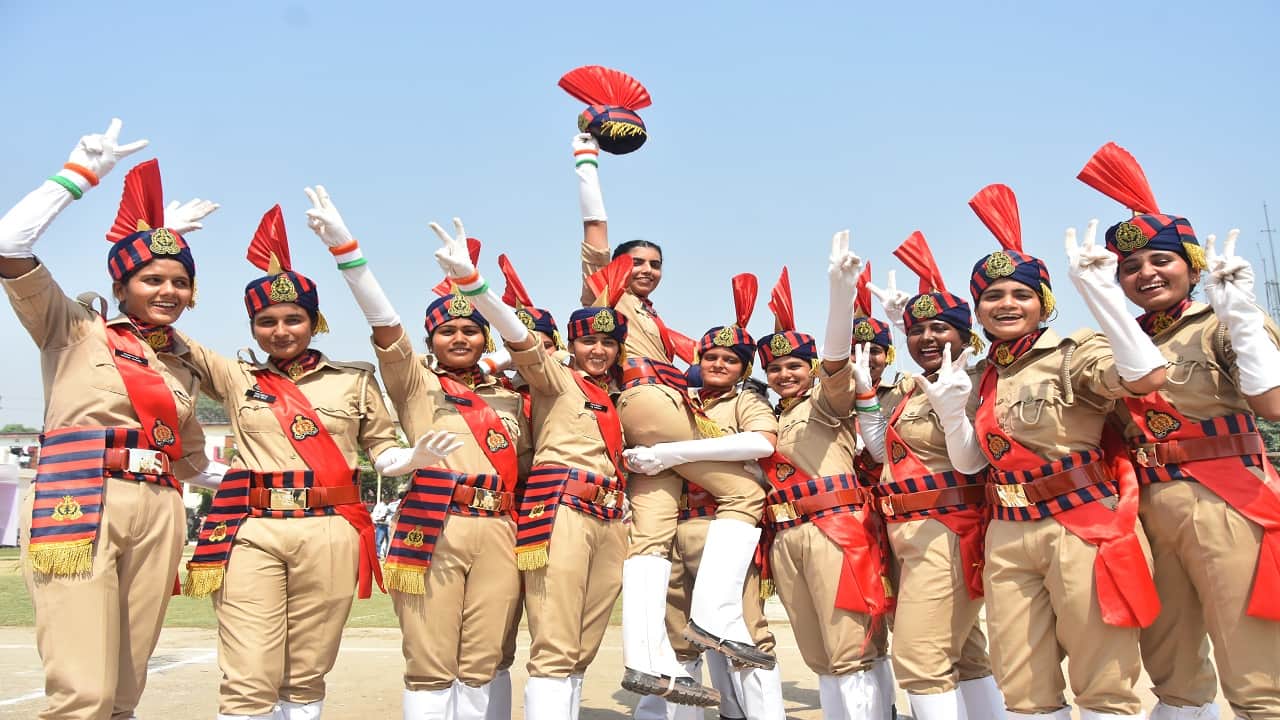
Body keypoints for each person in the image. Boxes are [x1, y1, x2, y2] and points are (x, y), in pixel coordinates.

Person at [182, 204, 440, 720]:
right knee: (248, 672)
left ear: (314, 321)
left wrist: (412, 457)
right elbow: (161, 328)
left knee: (306, 671)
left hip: (330, 529)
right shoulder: (235, 376)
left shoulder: (354, 378)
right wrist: (166, 241)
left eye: (293, 318)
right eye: (266, 321)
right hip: (251, 530)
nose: (280, 330)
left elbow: (382, 453)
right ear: (253, 327)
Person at [0, 122, 221, 720]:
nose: (169, 290)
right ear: (120, 285)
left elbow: (196, 462)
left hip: (159, 507)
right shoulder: (72, 328)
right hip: (83, 495)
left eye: (180, 281)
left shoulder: (180, 364)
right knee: (82, 694)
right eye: (152, 279)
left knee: (124, 694)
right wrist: (78, 176)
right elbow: (9, 244)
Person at [307, 191, 529, 720]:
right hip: (434, 520)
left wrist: (478, 286)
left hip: (499, 527)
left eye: (470, 329)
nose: (459, 337)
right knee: (430, 659)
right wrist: (347, 252)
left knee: (483, 660)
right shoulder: (415, 383)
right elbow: (384, 324)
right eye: (446, 329)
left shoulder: (515, 395)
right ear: (431, 336)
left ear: (485, 339)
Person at [1078, 142, 1280, 718]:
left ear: (1191, 265)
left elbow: (1272, 402)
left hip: (1226, 501)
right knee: (1172, 668)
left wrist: (1241, 316)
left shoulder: (1220, 319)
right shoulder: (1123, 340)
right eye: (1131, 267)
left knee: (1254, 666)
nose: (1146, 273)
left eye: (1161, 260)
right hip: (1145, 510)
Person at [574, 133, 773, 705]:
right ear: (615, 269)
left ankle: (643, 658)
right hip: (650, 401)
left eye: (656, 264)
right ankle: (713, 617)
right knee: (743, 492)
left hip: (648, 411)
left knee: (652, 535)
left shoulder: (654, 317)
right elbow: (594, 237)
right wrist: (586, 161)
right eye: (636, 262)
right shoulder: (608, 296)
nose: (647, 270)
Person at [960, 182, 1165, 720]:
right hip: (1006, 532)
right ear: (978, 309)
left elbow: (1143, 376)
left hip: (1081, 525)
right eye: (993, 296)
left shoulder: (1074, 351)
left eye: (1021, 294)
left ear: (1043, 302)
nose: (1007, 305)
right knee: (1022, 684)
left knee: (1104, 679)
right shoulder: (980, 377)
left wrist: (1102, 294)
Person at [753, 233, 896, 718]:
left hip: (835, 530)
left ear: (811, 368)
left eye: (795, 365)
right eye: (775, 369)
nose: (785, 375)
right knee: (820, 655)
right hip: (787, 535)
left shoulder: (827, 400)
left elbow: (836, 360)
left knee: (850, 649)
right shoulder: (769, 416)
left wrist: (840, 292)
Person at [864, 230, 1004, 720]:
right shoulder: (914, 390)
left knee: (920, 659)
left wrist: (953, 409)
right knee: (965, 656)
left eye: (942, 329)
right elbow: (882, 452)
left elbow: (974, 459)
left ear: (967, 336)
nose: (927, 338)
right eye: (917, 331)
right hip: (910, 532)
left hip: (949, 530)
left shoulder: (977, 380)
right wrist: (867, 398)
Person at [636, 274, 784, 720]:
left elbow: (762, 443)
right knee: (680, 635)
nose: (719, 364)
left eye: (731, 359)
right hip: (676, 527)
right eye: (712, 357)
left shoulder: (742, 402)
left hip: (724, 525)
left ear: (744, 369)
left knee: (742, 632)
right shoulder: (682, 401)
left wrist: (672, 452)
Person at [372, 492, 392, 560]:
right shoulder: (379, 506)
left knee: (389, 541)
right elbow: (374, 516)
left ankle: (387, 554)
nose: (389, 501)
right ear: (384, 499)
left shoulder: (390, 506)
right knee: (379, 541)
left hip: (389, 525)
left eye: (389, 499)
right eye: (388, 499)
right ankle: (377, 555)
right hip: (381, 524)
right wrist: (380, 519)